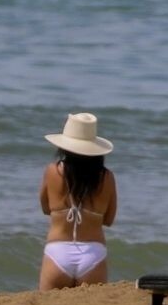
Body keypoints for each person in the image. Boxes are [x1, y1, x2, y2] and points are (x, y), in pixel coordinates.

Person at [39, 112, 118, 290]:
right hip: (93, 253)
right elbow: (109, 219)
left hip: (58, 251)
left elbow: (45, 208)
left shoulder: (52, 171)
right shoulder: (107, 177)